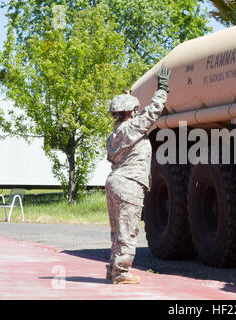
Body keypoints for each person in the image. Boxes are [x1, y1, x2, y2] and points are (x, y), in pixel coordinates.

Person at [105, 67, 171, 284]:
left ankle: (113, 268)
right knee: (128, 229)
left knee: (117, 230)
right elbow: (153, 111)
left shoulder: (115, 134)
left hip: (114, 181)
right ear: (131, 112)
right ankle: (121, 273)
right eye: (134, 109)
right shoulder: (131, 128)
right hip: (129, 183)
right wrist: (162, 89)